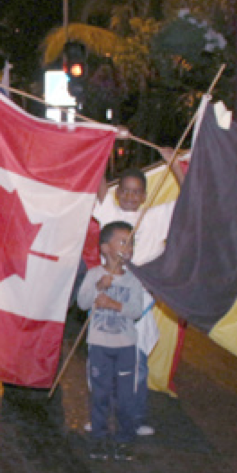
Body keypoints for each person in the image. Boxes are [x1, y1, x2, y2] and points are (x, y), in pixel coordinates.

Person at [90, 166, 178, 436]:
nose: (130, 195)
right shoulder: (110, 214)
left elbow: (189, 199)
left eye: (136, 191)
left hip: (137, 305)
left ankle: (134, 419)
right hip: (106, 300)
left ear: (144, 196)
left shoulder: (154, 217)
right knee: (101, 367)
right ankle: (100, 419)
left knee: (136, 368)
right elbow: (98, 179)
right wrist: (108, 140)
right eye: (125, 190)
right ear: (118, 193)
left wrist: (172, 164)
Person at [77, 221, 146, 462]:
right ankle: (98, 438)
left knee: (126, 397)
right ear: (105, 248)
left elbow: (136, 310)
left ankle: (125, 439)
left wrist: (114, 304)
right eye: (123, 242)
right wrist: (98, 289)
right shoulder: (95, 274)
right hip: (99, 345)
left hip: (126, 346)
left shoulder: (134, 279)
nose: (128, 248)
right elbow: (83, 303)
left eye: (131, 243)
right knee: (100, 394)